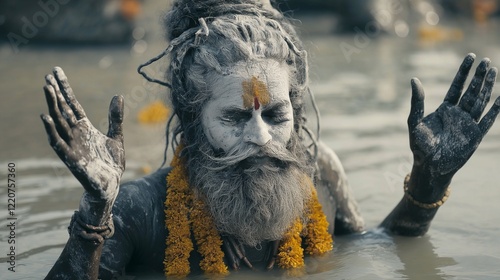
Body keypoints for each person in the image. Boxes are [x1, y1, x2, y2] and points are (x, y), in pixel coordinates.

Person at [40, 0, 499, 279]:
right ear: (193, 122)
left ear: (295, 113)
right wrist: (94, 212)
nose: (260, 135)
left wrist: (429, 182)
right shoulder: (138, 209)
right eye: (236, 116)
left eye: (275, 114)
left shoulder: (320, 174)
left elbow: (381, 250)